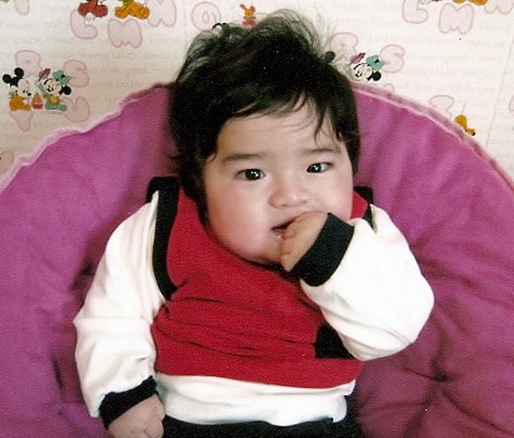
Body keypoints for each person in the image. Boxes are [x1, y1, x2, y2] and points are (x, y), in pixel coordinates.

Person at [74, 10, 434, 438]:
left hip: (314, 423)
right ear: (200, 182)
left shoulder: (363, 230)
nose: (290, 195)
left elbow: (394, 329)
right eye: (252, 173)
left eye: (316, 167)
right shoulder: (167, 222)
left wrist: (332, 255)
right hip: (188, 420)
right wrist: (123, 395)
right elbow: (113, 315)